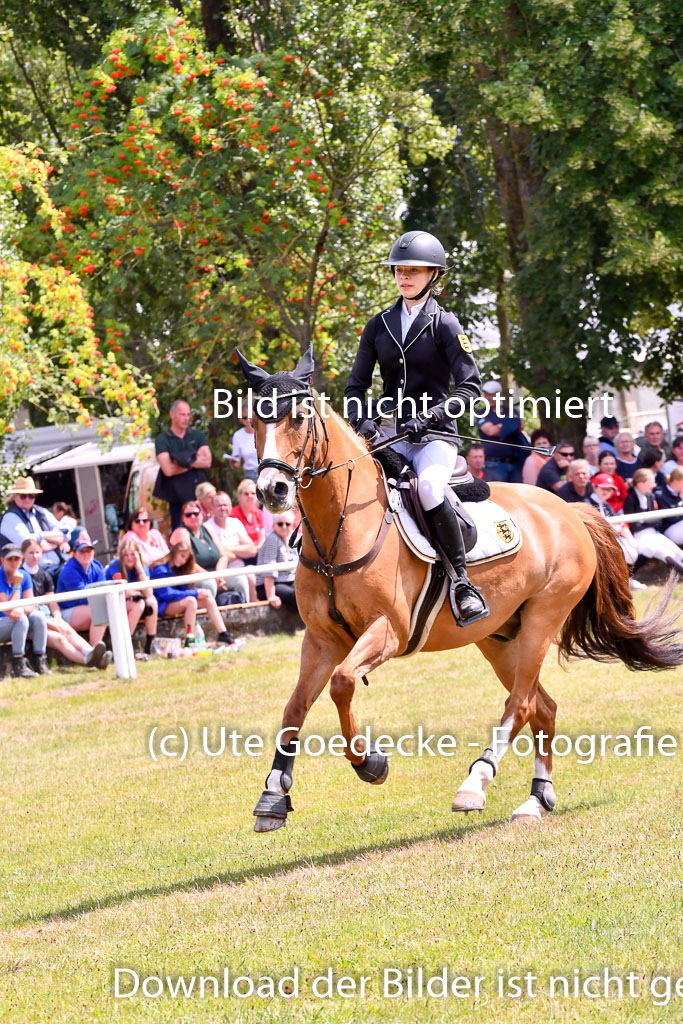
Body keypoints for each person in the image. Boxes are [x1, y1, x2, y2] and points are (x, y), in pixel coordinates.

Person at [344, 229, 486, 622]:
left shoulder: (446, 324)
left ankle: (461, 581)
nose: (404, 277)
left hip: (433, 436)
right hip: (388, 434)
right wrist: (363, 418)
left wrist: (435, 415)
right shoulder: (378, 325)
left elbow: (470, 387)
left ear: (433, 276)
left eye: (414, 271)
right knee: (346, 480)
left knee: (426, 487)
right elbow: (356, 385)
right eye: (399, 270)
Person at [21, 539, 111, 668]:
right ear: (23, 554)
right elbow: (26, 608)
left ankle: (92, 654)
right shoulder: (21, 575)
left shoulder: (44, 575)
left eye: (37, 552)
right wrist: (49, 621)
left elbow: (53, 603)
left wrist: (57, 618)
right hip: (32, 621)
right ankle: (90, 660)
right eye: (31, 553)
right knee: (60, 639)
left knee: (67, 631)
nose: (35, 556)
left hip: (48, 617)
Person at [150, 541, 235, 645]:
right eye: (182, 556)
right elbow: (168, 594)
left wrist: (196, 593)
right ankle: (190, 639)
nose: (183, 561)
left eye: (186, 559)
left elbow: (182, 590)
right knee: (191, 601)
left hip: (175, 601)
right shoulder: (159, 570)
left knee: (207, 596)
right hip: (162, 605)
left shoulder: (178, 569)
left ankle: (223, 633)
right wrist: (195, 592)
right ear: (174, 553)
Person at [153, 399, 212, 530]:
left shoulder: (197, 436)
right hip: (177, 500)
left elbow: (207, 461)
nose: (186, 418)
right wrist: (193, 459)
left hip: (200, 497)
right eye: (182, 414)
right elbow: (168, 469)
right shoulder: (162, 440)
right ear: (172, 414)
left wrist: (182, 461)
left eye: (188, 415)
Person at [170, 500, 245, 602]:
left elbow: (223, 556)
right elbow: (189, 562)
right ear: (183, 518)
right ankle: (206, 616)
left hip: (215, 574)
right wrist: (212, 577)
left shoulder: (207, 528)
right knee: (209, 583)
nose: (193, 517)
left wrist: (218, 575)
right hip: (192, 576)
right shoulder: (182, 533)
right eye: (188, 515)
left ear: (201, 515)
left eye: (196, 513)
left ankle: (245, 609)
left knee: (240, 578)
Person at [584, 476, 644, 590]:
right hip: (596, 542)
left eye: (609, 489)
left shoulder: (605, 504)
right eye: (603, 488)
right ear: (595, 487)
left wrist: (630, 539)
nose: (606, 492)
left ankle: (626, 580)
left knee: (632, 552)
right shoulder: (587, 503)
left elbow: (619, 522)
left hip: (611, 538)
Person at [0, 476, 68, 576]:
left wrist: (39, 535)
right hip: (30, 573)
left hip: (57, 568)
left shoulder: (41, 511)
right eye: (23, 496)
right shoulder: (10, 517)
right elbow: (29, 546)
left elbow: (66, 534)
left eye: (31, 496)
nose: (27, 499)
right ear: (14, 496)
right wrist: (57, 542)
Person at [0, 543, 49, 677]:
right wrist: (16, 586)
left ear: (21, 560)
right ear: (2, 560)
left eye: (17, 559)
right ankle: (19, 665)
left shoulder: (25, 576)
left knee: (38, 616)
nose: (14, 562)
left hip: (15, 620)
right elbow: (7, 610)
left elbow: (30, 604)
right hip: (3, 622)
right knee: (20, 620)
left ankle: (41, 661)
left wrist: (21, 609)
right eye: (10, 559)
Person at [622, 468, 683, 574]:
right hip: (639, 535)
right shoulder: (630, 498)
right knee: (665, 553)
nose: (654, 485)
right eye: (651, 482)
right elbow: (633, 525)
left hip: (654, 533)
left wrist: (643, 521)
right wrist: (648, 521)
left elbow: (658, 521)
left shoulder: (650, 496)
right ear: (641, 484)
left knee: (678, 553)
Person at [105, 539, 158, 656]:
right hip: (116, 602)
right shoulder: (115, 566)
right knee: (139, 604)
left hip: (134, 601)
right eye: (126, 555)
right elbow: (123, 592)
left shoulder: (142, 567)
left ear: (138, 555)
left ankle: (150, 643)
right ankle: (125, 644)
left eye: (132, 555)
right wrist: (136, 592)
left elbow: (148, 593)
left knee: (152, 602)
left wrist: (139, 569)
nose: (129, 558)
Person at [55, 539, 108, 647]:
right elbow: (84, 597)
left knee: (109, 610)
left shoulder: (97, 566)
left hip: (88, 609)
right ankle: (95, 650)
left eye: (89, 551)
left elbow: (103, 589)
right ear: (74, 554)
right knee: (99, 611)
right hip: (66, 613)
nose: (86, 554)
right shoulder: (68, 570)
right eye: (82, 551)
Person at [205, 492, 255, 602]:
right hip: (221, 572)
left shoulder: (235, 523)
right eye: (219, 505)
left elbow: (252, 549)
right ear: (212, 508)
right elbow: (219, 555)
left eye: (225, 505)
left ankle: (254, 610)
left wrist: (227, 549)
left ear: (231, 506)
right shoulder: (208, 527)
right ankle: (246, 610)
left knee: (251, 576)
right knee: (240, 579)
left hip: (240, 568)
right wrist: (240, 551)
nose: (223, 508)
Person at [476, 380, 529, 483]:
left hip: (515, 463)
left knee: (516, 494)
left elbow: (521, 425)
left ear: (499, 395)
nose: (488, 398)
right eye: (486, 395)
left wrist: (501, 425)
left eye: (491, 395)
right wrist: (509, 423)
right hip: (494, 464)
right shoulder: (482, 413)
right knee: (498, 495)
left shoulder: (511, 410)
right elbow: (490, 431)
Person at [255, 512, 299, 609]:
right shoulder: (272, 539)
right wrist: (271, 596)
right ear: (273, 526)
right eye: (280, 524)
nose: (284, 527)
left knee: (307, 593)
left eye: (287, 524)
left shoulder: (293, 538)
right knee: (297, 597)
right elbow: (269, 569)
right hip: (270, 584)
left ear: (292, 526)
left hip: (289, 581)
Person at [230, 480, 266, 561]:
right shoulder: (232, 514)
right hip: (239, 556)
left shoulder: (258, 513)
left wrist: (256, 549)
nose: (250, 496)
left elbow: (262, 538)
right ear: (239, 496)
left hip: (257, 553)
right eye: (246, 494)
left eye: (253, 493)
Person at [654, 467, 683, 547]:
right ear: (676, 482)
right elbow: (671, 519)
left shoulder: (679, 492)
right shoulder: (660, 494)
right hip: (669, 529)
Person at [228, 415, 259, 482]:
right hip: (250, 476)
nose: (248, 420)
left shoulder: (265, 430)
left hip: (269, 472)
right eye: (244, 418)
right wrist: (233, 462)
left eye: (250, 417)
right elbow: (237, 464)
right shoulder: (238, 435)